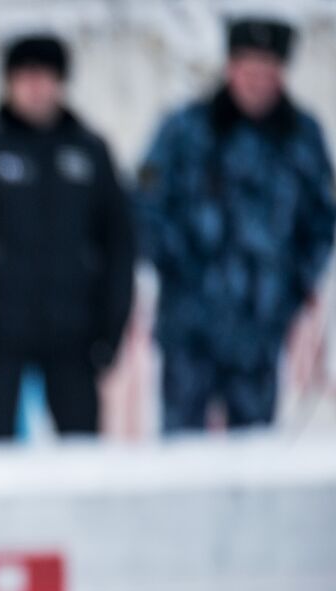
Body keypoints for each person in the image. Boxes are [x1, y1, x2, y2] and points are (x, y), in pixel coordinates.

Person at [135, 18, 336, 432]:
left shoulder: (301, 136)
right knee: (182, 446)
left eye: (268, 71)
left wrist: (294, 284)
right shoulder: (184, 130)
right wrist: (174, 267)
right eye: (249, 69)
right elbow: (143, 205)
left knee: (255, 445)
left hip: (261, 327)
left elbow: (322, 218)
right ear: (230, 69)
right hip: (189, 324)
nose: (258, 82)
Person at [0, 34, 135, 440]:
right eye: (25, 77)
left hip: (75, 334)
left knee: (82, 454)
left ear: (61, 82)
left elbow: (119, 245)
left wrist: (112, 329)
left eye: (45, 77)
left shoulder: (89, 151)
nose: (36, 87)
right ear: (9, 82)